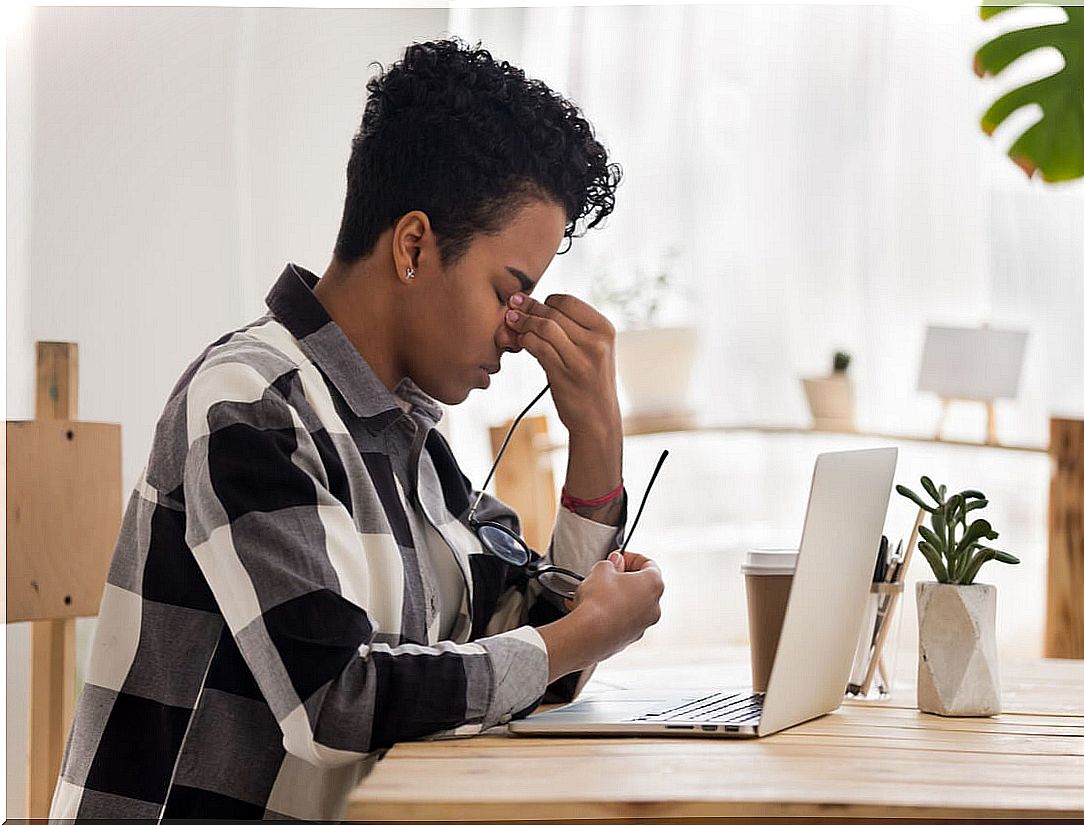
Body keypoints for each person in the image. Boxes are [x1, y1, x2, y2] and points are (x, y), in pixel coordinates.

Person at [49, 38, 664, 822]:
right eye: (511, 291)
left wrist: (597, 443)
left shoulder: (409, 440)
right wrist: (583, 636)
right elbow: (336, 700)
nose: (521, 329)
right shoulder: (251, 404)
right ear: (413, 246)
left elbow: (537, 653)